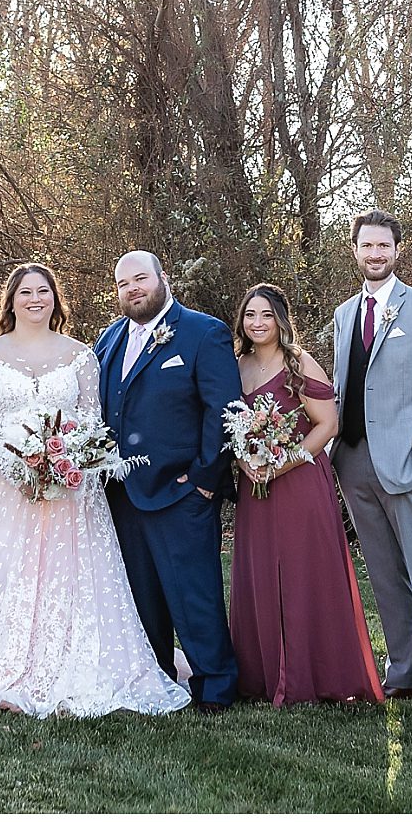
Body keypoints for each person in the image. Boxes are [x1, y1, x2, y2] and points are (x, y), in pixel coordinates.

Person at [0, 262, 189, 716]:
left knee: (73, 576)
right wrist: (22, 473)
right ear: (10, 301)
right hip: (4, 489)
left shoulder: (81, 355)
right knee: (5, 573)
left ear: (54, 298)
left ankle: (75, 663)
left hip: (71, 488)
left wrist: (65, 466)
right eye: (24, 292)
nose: (34, 300)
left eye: (42, 291)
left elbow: (90, 417)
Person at [94, 251, 245, 712]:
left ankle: (215, 688)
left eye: (140, 278)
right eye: (123, 283)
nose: (132, 288)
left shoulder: (203, 332)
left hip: (182, 492)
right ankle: (155, 680)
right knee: (141, 598)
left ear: (164, 277)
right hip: (122, 493)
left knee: (194, 596)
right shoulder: (109, 339)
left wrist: (202, 480)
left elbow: (224, 411)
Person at [328, 209, 412, 715]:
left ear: (397, 250)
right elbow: (343, 390)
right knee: (383, 574)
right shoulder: (345, 315)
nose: (376, 254)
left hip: (406, 463)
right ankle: (402, 672)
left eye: (384, 246)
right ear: (356, 250)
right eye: (367, 246)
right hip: (354, 463)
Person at [226, 282, 383, 706]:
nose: (258, 323)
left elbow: (327, 424)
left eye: (266, 315)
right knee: (258, 573)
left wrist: (281, 464)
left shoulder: (298, 363)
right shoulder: (234, 365)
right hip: (254, 485)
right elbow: (228, 426)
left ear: (280, 319)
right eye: (250, 315)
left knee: (303, 573)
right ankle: (260, 675)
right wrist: (246, 462)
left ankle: (319, 674)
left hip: (299, 481)